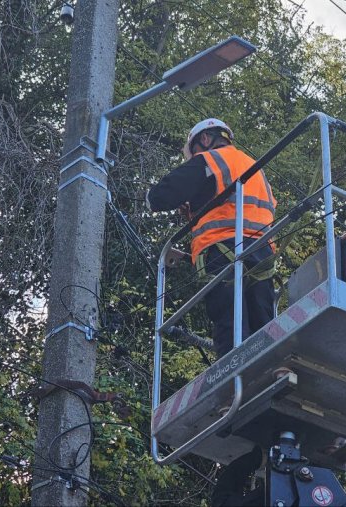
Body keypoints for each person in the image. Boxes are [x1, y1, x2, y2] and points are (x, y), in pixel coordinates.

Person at [146, 118, 276, 505]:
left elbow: (162, 195)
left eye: (194, 150)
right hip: (260, 251)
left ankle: (230, 392)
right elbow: (235, 207)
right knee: (262, 328)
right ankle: (271, 379)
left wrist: (163, 198)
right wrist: (197, 219)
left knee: (229, 326)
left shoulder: (212, 159)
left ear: (204, 139)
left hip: (226, 251)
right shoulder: (252, 165)